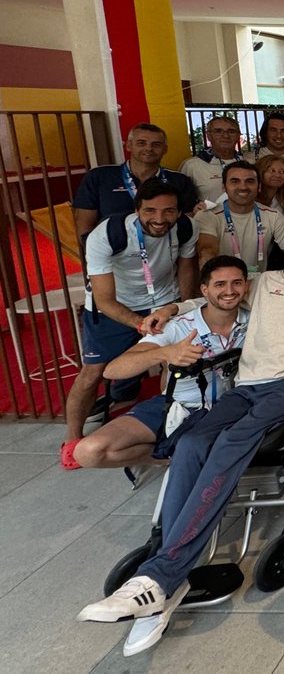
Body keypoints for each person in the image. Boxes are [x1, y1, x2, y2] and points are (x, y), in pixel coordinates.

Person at [77, 223, 284, 655]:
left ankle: (160, 575)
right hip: (248, 385)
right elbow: (219, 294)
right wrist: (174, 307)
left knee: (234, 440)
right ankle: (165, 588)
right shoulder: (266, 282)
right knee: (192, 443)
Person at [61, 181, 199, 469]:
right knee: (93, 372)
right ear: (137, 209)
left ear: (178, 211)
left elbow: (187, 268)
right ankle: (72, 440)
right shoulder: (108, 234)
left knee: (172, 365)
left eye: (168, 211)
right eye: (150, 211)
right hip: (115, 307)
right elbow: (103, 298)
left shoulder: (186, 227)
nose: (160, 219)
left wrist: (185, 310)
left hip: (163, 301)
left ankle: (165, 428)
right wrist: (139, 324)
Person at [73, 256, 250, 469]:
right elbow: (113, 370)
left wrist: (172, 307)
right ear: (204, 289)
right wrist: (166, 353)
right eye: (220, 284)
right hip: (177, 405)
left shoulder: (256, 318)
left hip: (232, 406)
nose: (229, 291)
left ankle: (186, 453)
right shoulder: (179, 326)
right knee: (88, 452)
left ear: (246, 286)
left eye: (237, 283)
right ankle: (166, 458)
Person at [72, 123, 198, 243]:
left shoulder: (179, 180)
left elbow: (186, 222)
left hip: (164, 251)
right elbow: (84, 223)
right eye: (141, 143)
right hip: (114, 255)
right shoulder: (99, 176)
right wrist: (92, 254)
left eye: (156, 144)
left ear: (165, 149)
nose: (149, 148)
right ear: (129, 146)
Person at [194, 161, 284, 274]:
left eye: (250, 181)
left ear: (259, 187)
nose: (243, 187)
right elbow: (207, 251)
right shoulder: (207, 215)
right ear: (224, 187)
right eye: (235, 181)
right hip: (221, 284)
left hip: (257, 283)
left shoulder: (273, 216)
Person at [181, 116, 244, 203]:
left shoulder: (248, 162)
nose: (225, 136)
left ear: (238, 136)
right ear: (208, 136)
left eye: (231, 131)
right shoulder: (192, 165)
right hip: (208, 216)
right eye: (218, 131)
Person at [252, 154, 284, 235]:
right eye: (272, 171)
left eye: (282, 172)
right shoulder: (245, 197)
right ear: (260, 172)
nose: (278, 175)